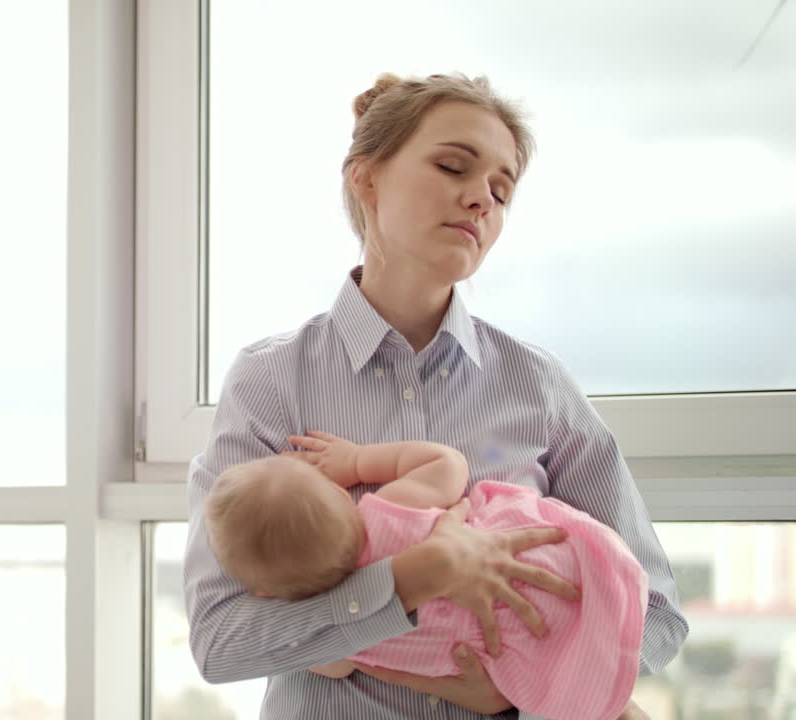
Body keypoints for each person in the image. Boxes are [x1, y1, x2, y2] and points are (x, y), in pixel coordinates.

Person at [183, 71, 688, 720]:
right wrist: (410, 580)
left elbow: (658, 615)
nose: (482, 198)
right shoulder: (269, 383)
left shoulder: (540, 386)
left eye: (502, 190)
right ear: (365, 179)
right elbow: (221, 640)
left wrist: (519, 693)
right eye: (454, 166)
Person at [204, 432, 648, 720]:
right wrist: (359, 461)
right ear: (342, 494)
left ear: (264, 591)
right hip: (549, 572)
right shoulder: (387, 511)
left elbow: (334, 667)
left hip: (509, 657)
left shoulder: (346, 638)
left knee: (598, 698)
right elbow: (448, 464)